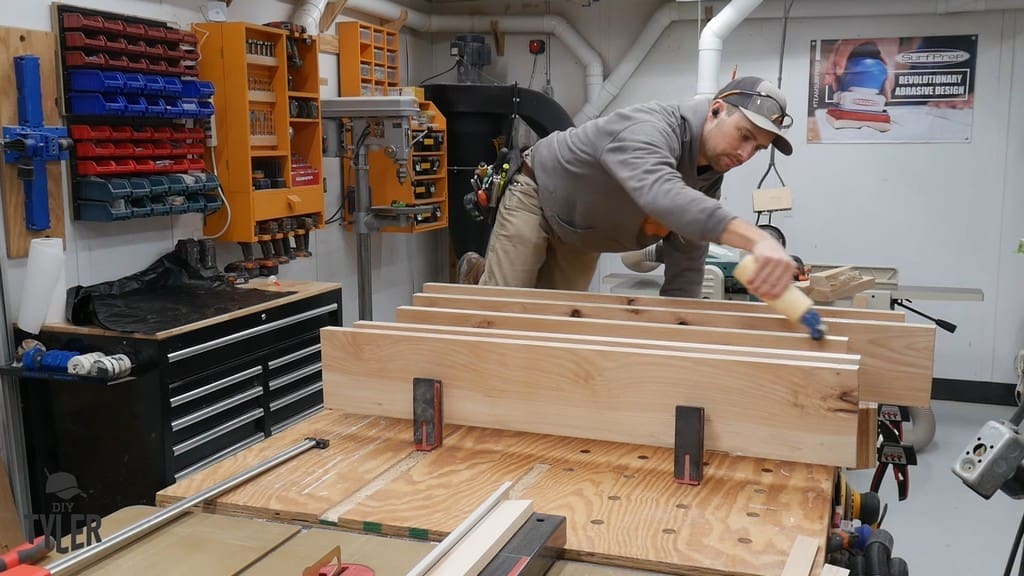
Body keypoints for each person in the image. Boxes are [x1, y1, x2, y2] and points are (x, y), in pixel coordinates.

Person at [456, 75, 798, 301]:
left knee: (556, 322)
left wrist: (679, 333)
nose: (745, 154)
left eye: (758, 149)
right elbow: (665, 197)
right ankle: (481, 275)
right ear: (716, 110)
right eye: (745, 136)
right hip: (539, 195)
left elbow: (687, 263)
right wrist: (757, 240)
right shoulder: (650, 129)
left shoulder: (708, 177)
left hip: (585, 230)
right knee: (502, 312)